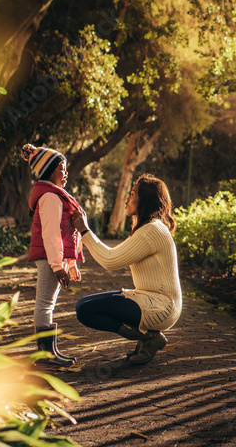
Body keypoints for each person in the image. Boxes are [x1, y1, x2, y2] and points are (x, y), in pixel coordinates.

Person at [71, 174, 182, 365]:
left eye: (132, 193)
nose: (127, 198)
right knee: (84, 305)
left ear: (144, 200)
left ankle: (148, 338)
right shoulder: (148, 228)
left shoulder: (151, 231)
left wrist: (84, 230)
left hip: (161, 307)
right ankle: (147, 337)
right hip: (149, 299)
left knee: (86, 310)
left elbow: (109, 260)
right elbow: (112, 255)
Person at [22, 143, 83, 367]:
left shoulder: (53, 194)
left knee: (47, 303)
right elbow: (51, 234)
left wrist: (72, 264)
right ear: (50, 170)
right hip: (49, 257)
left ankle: (50, 351)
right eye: (62, 168)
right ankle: (45, 356)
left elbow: (68, 234)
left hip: (52, 257)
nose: (65, 173)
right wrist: (58, 266)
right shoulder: (49, 197)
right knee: (45, 304)